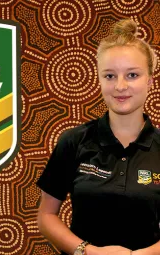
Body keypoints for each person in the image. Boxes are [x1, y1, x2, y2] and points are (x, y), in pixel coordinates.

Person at [37, 19, 160, 255]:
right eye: (110, 76)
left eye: (132, 75)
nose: (120, 86)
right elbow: (46, 216)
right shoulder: (73, 141)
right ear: (99, 80)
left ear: (150, 81)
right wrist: (87, 251)